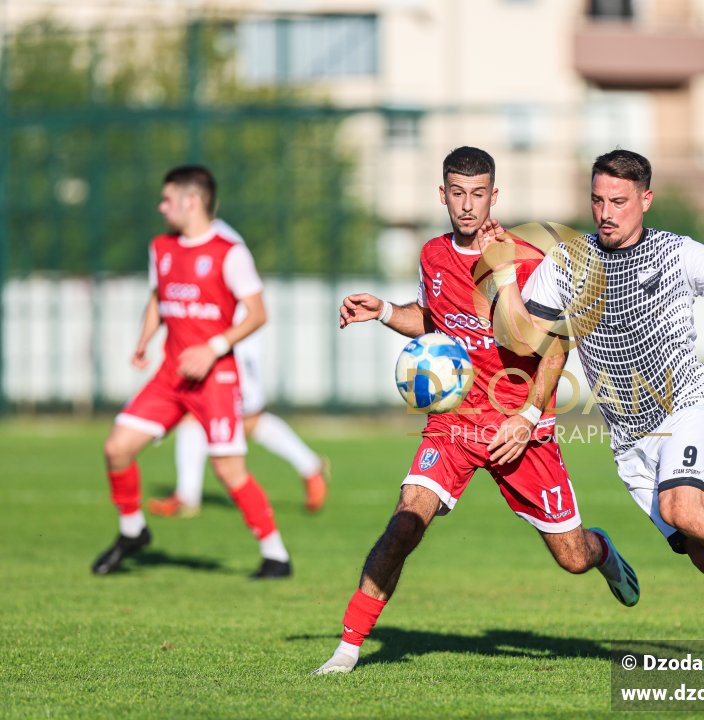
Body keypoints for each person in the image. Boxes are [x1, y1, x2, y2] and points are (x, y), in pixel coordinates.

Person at [484, 148, 704, 676]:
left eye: (619, 201)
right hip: (630, 442)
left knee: (683, 509)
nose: (606, 212)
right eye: (598, 200)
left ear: (645, 200)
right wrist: (504, 272)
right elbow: (523, 338)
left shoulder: (677, 253)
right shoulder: (565, 262)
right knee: (700, 551)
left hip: (686, 405)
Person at [311, 147, 638, 675]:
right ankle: (348, 647)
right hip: (455, 421)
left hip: (522, 428)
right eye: (457, 193)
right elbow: (434, 320)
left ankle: (605, 555)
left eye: (478, 193)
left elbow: (555, 345)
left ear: (494, 195)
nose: (467, 205)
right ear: (442, 194)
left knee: (572, 557)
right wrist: (387, 311)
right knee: (404, 524)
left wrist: (529, 415)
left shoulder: (527, 260)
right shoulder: (433, 255)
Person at [92, 165, 292, 579]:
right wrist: (143, 340)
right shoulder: (161, 248)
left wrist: (214, 347)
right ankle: (132, 531)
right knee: (117, 448)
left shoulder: (229, 251)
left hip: (216, 377)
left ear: (192, 200)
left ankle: (276, 555)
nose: (161, 207)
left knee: (228, 470)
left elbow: (257, 314)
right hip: (171, 375)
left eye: (167, 199)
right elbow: (157, 298)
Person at [147, 218, 328, 518]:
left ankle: (309, 466)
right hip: (215, 345)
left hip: (235, 345)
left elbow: (240, 297)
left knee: (249, 421)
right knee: (198, 416)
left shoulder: (218, 238)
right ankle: (187, 495)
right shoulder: (188, 238)